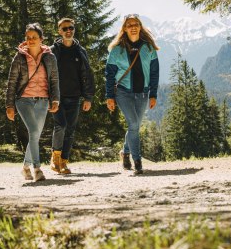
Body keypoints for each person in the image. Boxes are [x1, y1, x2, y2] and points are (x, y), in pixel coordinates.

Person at [105, 14, 159, 175]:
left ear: (140, 27)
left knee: (133, 126)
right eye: (129, 25)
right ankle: (137, 161)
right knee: (134, 124)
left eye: (136, 24)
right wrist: (110, 96)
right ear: (124, 29)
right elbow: (109, 74)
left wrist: (153, 94)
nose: (133, 27)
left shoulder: (148, 47)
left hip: (142, 93)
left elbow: (155, 72)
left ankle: (125, 152)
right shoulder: (117, 50)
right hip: (123, 92)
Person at [6, 23, 60, 182]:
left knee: (35, 135)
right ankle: (37, 169)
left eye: (34, 37)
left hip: (43, 101)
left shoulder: (50, 57)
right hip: (23, 100)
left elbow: (54, 79)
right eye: (28, 37)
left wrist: (55, 99)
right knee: (34, 132)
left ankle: (25, 167)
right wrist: (9, 105)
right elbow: (12, 82)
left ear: (41, 39)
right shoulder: (19, 57)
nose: (30, 40)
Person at [49, 17, 95, 174]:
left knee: (70, 130)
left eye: (71, 28)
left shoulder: (80, 51)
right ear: (59, 31)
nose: (68, 31)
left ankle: (64, 162)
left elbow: (87, 75)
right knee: (60, 125)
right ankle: (55, 157)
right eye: (65, 28)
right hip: (56, 97)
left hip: (74, 97)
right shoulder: (52, 51)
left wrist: (88, 98)